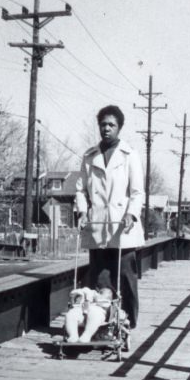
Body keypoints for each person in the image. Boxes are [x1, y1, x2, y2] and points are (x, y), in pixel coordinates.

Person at [75, 105, 145, 328]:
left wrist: (131, 215)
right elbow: (80, 189)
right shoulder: (89, 156)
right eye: (103, 124)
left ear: (119, 127)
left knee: (125, 275)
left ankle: (129, 321)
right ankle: (102, 322)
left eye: (111, 125)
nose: (106, 128)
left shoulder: (129, 155)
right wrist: (82, 212)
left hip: (121, 227)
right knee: (101, 278)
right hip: (98, 226)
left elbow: (137, 192)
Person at [64, 270, 115, 343]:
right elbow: (77, 293)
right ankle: (73, 335)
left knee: (94, 314)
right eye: (99, 292)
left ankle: (86, 335)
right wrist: (81, 293)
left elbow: (105, 303)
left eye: (102, 294)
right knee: (70, 314)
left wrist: (97, 298)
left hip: (96, 316)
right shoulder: (91, 293)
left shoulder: (105, 303)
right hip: (81, 314)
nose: (99, 294)